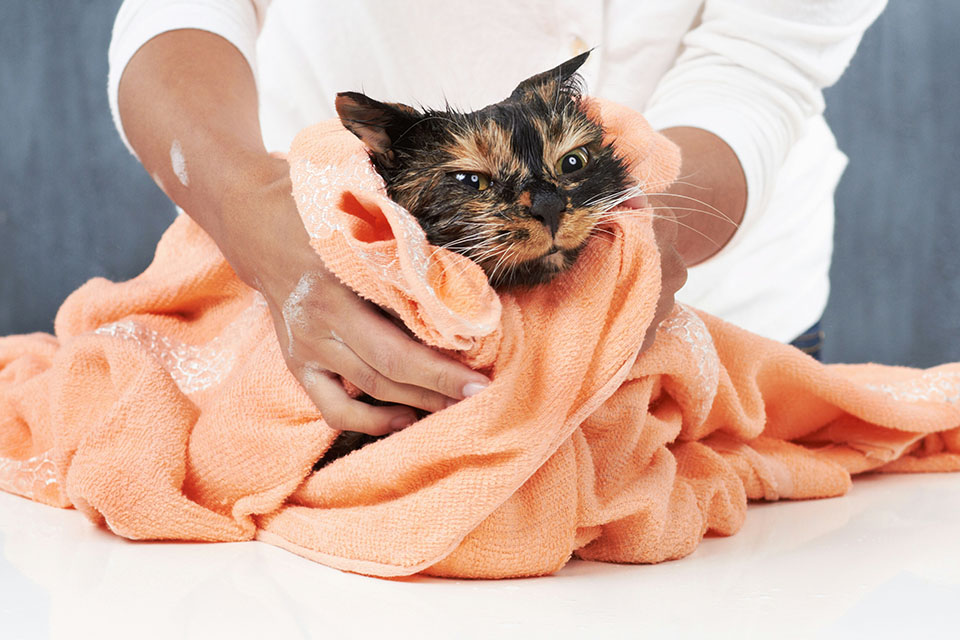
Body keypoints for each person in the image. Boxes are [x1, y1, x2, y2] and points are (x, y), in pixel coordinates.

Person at [107, 0, 886, 436]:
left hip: (720, 323)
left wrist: (645, 252)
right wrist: (256, 214)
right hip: (326, 317)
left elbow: (761, 62)